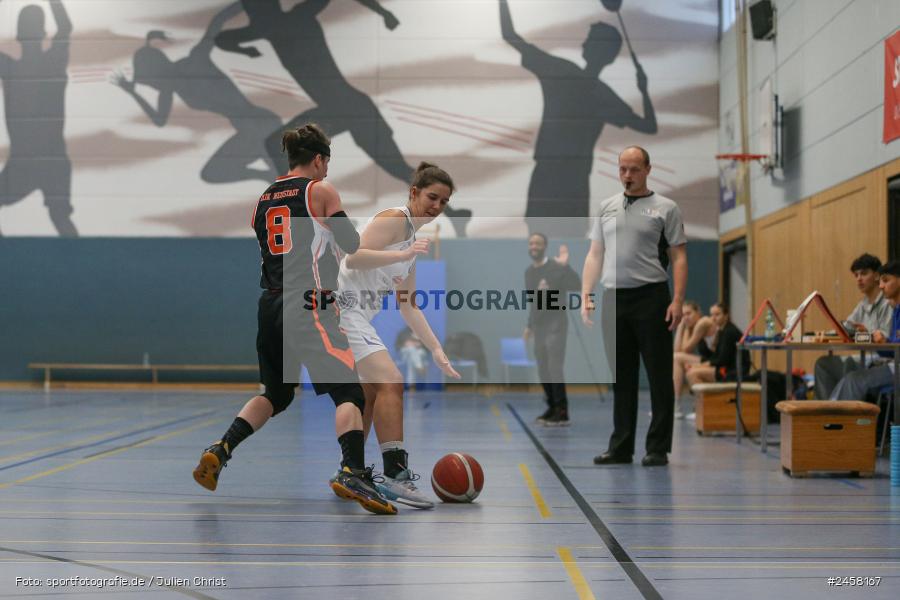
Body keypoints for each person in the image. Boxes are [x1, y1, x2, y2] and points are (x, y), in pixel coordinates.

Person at [192, 123, 397, 515]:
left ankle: (221, 448)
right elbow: (351, 244)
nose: (326, 172)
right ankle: (352, 469)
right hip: (309, 303)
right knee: (349, 393)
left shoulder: (262, 199)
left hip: (269, 305)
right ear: (318, 159)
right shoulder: (320, 191)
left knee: (276, 393)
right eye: (326, 164)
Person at [214, 0, 472, 236]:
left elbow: (223, 38)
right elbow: (222, 39)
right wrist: (383, 13)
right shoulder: (283, 21)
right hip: (340, 107)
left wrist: (384, 11)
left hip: (347, 107)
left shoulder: (280, 23)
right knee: (276, 143)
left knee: (395, 166)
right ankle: (297, 208)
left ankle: (296, 208)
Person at [334, 162, 461, 509]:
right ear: (414, 193)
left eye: (444, 202)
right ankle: (395, 475)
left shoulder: (411, 240)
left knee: (369, 396)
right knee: (392, 381)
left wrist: (436, 349)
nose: (437, 206)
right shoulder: (394, 219)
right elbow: (353, 259)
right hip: (343, 309)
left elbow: (409, 306)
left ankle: (352, 472)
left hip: (357, 316)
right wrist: (403, 253)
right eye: (432, 197)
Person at [499, 0, 655, 230]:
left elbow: (510, 35)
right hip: (575, 182)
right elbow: (648, 125)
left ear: (590, 48)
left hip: (548, 174)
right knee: (570, 246)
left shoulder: (560, 71)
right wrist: (644, 90)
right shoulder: (604, 95)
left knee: (537, 238)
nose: (584, 42)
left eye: (589, 39)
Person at [581, 146, 687, 467]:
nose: (627, 175)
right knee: (621, 376)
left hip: (652, 297)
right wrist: (587, 293)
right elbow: (595, 254)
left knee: (658, 375)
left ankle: (657, 448)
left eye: (634, 169)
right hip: (615, 299)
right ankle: (621, 446)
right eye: (622, 169)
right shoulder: (606, 207)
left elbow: (679, 257)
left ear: (648, 169)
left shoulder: (666, 208)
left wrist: (678, 300)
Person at [112, 3, 282, 184]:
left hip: (258, 125)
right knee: (216, 173)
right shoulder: (170, 89)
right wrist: (133, 93)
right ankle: (267, 176)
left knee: (218, 173)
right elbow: (159, 121)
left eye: (152, 81)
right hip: (254, 128)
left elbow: (218, 21)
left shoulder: (196, 60)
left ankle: (269, 177)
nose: (154, 86)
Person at [0, 0, 76, 236]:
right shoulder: (14, 67)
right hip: (30, 161)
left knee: (59, 216)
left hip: (46, 159)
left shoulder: (49, 62)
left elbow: (65, 27)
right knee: (60, 217)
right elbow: (65, 27)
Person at [814, 253, 893, 399]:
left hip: (881, 361)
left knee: (849, 364)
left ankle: (839, 415)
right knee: (824, 364)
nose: (859, 279)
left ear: (877, 276)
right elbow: (846, 328)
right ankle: (824, 411)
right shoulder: (862, 305)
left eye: (863, 273)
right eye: (856, 275)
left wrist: (863, 334)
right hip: (863, 357)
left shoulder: (888, 302)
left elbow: (885, 339)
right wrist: (822, 335)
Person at [524, 233, 581, 426]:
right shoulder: (529, 273)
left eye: (538, 243)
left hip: (556, 323)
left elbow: (576, 285)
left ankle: (562, 410)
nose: (534, 246)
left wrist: (565, 266)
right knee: (542, 368)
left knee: (554, 366)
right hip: (539, 325)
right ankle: (551, 406)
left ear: (545, 246)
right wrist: (529, 325)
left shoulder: (556, 268)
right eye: (531, 243)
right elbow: (533, 302)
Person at [829, 260, 900, 402]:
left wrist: (885, 341)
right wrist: (876, 339)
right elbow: (893, 350)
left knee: (853, 380)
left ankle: (832, 420)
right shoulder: (896, 310)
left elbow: (895, 348)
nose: (881, 286)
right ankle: (826, 416)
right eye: (880, 282)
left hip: (895, 367)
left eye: (885, 281)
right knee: (850, 377)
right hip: (894, 364)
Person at [684, 303, 750, 389]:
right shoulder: (722, 331)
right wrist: (697, 366)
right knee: (692, 371)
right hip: (726, 367)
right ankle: (705, 401)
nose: (713, 318)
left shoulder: (729, 332)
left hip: (734, 371)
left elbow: (721, 360)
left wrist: (699, 366)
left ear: (726, 316)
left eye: (717, 314)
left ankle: (703, 401)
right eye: (711, 315)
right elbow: (716, 357)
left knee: (692, 374)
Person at [673, 300, 716, 419]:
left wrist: (683, 326)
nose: (686, 317)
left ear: (698, 313)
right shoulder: (693, 326)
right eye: (683, 315)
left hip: (720, 363)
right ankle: (676, 404)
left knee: (677, 359)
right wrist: (682, 325)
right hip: (709, 360)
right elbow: (677, 350)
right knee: (676, 358)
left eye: (689, 313)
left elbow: (685, 349)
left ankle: (676, 405)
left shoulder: (703, 323)